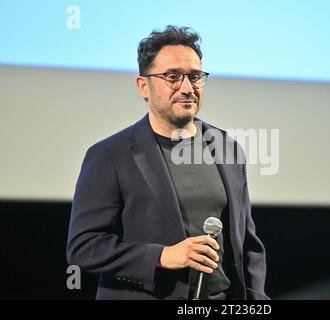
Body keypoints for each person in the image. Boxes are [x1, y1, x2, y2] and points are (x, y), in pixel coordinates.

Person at [66, 25, 268, 300]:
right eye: (172, 77)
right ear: (143, 86)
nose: (187, 88)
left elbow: (247, 244)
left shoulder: (226, 147)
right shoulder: (109, 155)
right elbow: (84, 247)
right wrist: (162, 255)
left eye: (195, 77)